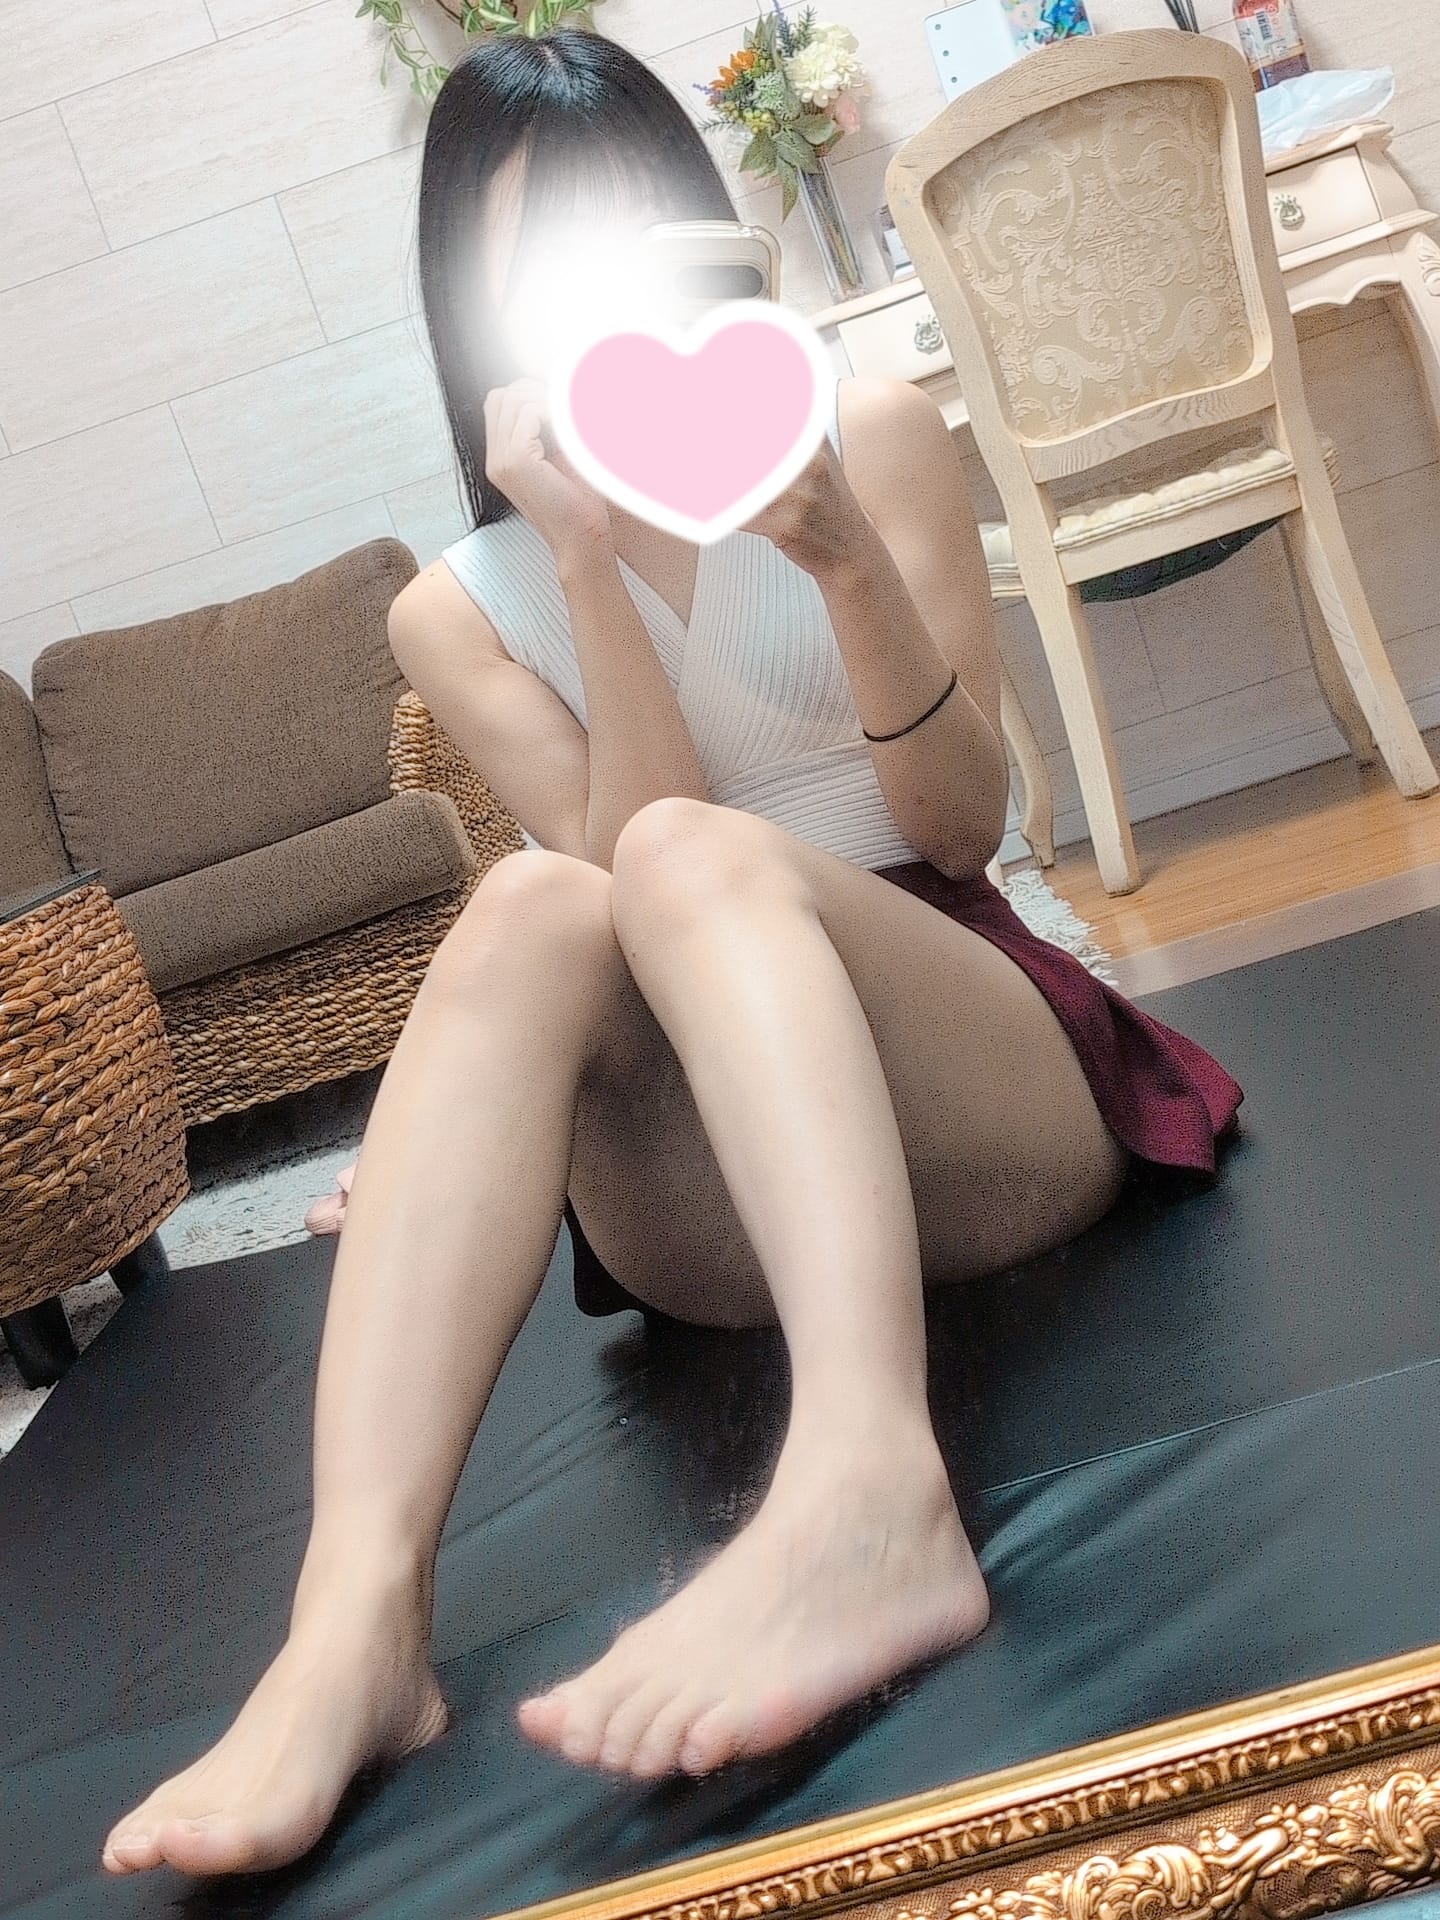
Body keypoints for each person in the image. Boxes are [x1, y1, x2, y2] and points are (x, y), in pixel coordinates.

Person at [102, 27, 1242, 1879]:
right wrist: (580, 559)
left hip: (980, 1085)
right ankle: (352, 1628)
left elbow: (961, 828)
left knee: (682, 861)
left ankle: (869, 1484)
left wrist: (842, 557)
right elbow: (624, 867)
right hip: (711, 1200)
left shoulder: (869, 432)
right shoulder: (455, 607)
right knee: (545, 899)